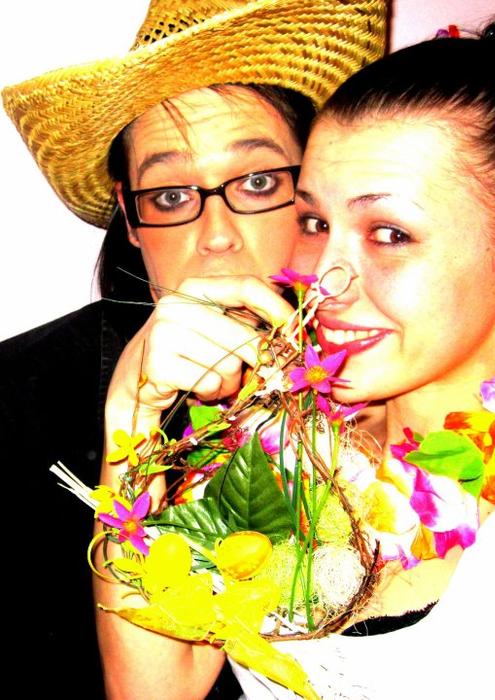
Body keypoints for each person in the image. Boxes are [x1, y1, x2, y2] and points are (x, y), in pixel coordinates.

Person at [0, 0, 387, 697]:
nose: (215, 236)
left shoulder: (393, 368)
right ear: (130, 216)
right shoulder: (16, 403)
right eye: (172, 195)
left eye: (258, 182)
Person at [230, 14, 495, 698]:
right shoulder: (287, 442)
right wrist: (131, 414)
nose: (322, 279)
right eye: (313, 222)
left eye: (388, 232)